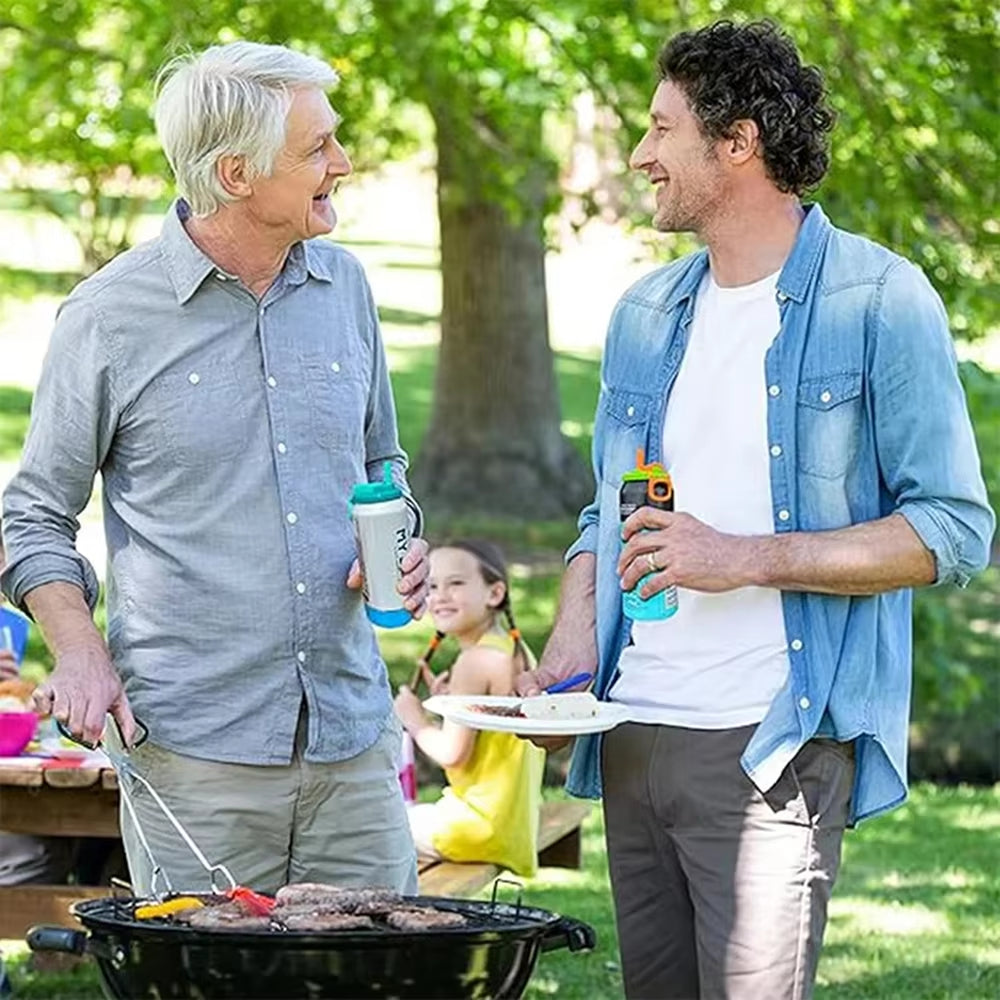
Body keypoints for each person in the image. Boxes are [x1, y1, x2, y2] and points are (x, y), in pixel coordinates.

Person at [516, 20, 995, 1000]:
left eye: (661, 129)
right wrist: (569, 646)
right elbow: (603, 515)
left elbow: (951, 529)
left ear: (737, 140)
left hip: (769, 747)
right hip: (632, 730)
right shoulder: (644, 313)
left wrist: (742, 556)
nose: (640, 155)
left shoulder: (878, 298)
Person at [0, 41, 429, 897]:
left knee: (389, 975)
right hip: (196, 753)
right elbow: (33, 515)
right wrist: (79, 651)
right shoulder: (108, 318)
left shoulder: (346, 289)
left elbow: (384, 466)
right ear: (236, 173)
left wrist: (403, 541)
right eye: (317, 149)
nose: (342, 164)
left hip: (351, 732)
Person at [393, 540, 545, 877]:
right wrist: (449, 705)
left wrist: (414, 718)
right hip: (510, 826)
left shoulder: (475, 661)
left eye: (456, 583)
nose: (441, 595)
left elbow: (452, 753)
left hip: (474, 831)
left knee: (369, 826)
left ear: (494, 593)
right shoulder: (512, 650)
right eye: (432, 585)